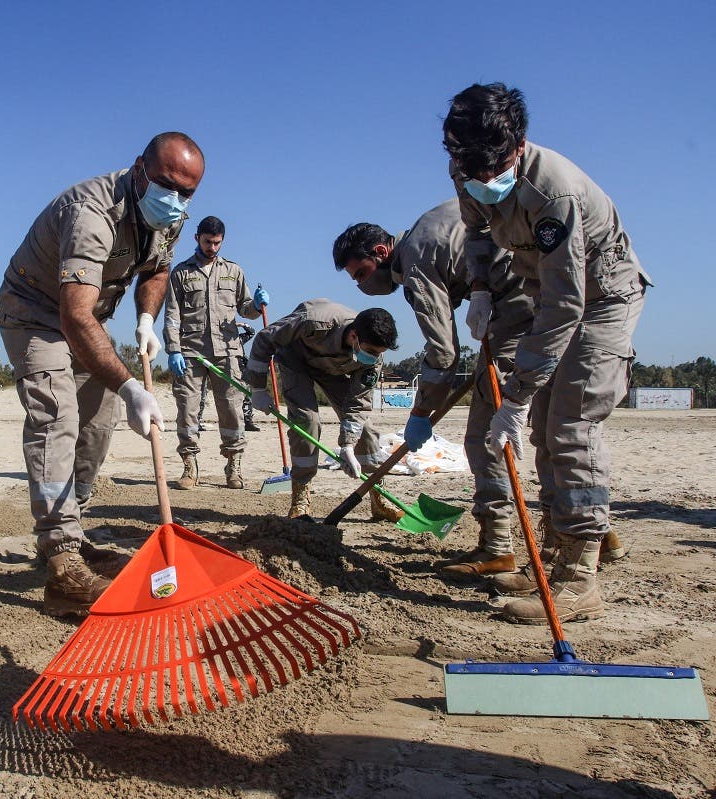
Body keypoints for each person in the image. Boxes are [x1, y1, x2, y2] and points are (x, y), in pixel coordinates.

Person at [444, 82, 648, 623]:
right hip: (545, 293)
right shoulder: (467, 163)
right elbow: (476, 230)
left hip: (603, 298)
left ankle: (580, 581)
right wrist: (482, 286)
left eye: (494, 168)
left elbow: (566, 306)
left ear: (518, 144)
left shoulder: (555, 194)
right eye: (472, 170)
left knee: (571, 424)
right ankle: (556, 557)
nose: (484, 182)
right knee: (542, 430)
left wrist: (514, 395)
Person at [0, 132, 204, 617]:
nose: (176, 201)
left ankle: (73, 529)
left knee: (96, 428)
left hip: (91, 316)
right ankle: (61, 558)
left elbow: (157, 269)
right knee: (57, 420)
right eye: (167, 185)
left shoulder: (168, 213)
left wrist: (147, 318)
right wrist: (130, 384)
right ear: (139, 171)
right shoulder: (90, 213)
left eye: (188, 193)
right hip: (36, 312)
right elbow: (73, 317)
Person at [332, 201, 534, 579]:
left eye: (362, 273)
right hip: (534, 299)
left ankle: (497, 548)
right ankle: (596, 534)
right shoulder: (429, 228)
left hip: (517, 309)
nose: (362, 285)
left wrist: (421, 413)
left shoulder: (415, 261)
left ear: (381, 252)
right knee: (557, 426)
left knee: (482, 438)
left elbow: (442, 354)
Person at [245, 301, 401, 520]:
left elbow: (358, 403)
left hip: (334, 370)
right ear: (354, 336)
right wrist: (258, 387)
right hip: (296, 360)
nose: (374, 357)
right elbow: (265, 338)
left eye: (379, 353)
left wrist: (347, 444)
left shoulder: (372, 358)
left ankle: (379, 496)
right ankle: (301, 497)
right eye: (371, 351)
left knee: (364, 428)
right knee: (307, 421)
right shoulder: (313, 320)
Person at [162, 216, 268, 490]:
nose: (212, 247)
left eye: (217, 242)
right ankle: (189, 467)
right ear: (197, 238)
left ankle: (234, 467)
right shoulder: (181, 273)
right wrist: (173, 350)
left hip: (228, 352)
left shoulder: (234, 272)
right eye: (207, 241)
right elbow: (172, 316)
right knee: (187, 410)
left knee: (231, 411)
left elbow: (245, 309)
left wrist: (256, 305)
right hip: (191, 353)